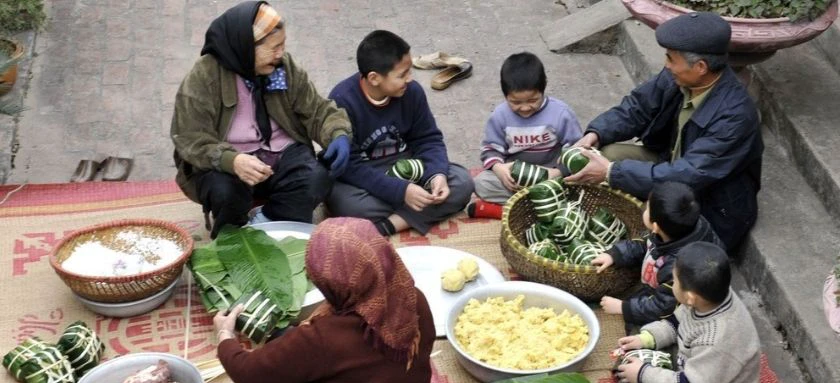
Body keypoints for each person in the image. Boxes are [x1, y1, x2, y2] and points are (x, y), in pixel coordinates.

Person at [212, 217, 436, 383]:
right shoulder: (414, 299)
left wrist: (224, 335)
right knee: (296, 351)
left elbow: (246, 373)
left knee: (280, 361)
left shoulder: (326, 337)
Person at [564, 12, 763, 253]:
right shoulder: (679, 77)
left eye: (671, 59)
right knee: (606, 152)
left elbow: (688, 174)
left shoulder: (735, 116)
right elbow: (637, 107)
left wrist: (611, 173)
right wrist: (595, 133)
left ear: (701, 67)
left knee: (659, 249)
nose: (666, 64)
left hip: (708, 202)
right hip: (668, 163)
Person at [171, 1, 352, 238]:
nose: (280, 54)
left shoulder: (284, 67)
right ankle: (234, 234)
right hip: (228, 160)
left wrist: (338, 133)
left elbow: (317, 110)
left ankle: (269, 218)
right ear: (246, 47)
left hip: (281, 152)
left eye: (283, 45)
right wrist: (231, 160)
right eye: (273, 48)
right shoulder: (204, 77)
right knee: (226, 193)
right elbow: (189, 137)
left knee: (316, 178)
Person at [326, 30, 474, 236]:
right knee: (345, 203)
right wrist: (401, 192)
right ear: (374, 78)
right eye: (402, 75)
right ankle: (417, 211)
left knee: (462, 182)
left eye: (409, 71)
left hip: (410, 167)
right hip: (367, 175)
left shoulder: (412, 92)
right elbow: (350, 166)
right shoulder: (342, 100)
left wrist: (436, 175)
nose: (410, 79)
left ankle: (389, 225)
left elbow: (428, 138)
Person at [611, 241, 761, 383]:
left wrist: (643, 373)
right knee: (639, 335)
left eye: (674, 281)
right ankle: (639, 377)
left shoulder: (718, 339)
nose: (671, 284)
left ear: (690, 297)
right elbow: (676, 323)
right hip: (691, 360)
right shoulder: (709, 295)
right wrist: (646, 339)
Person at [592, 181, 722, 331]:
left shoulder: (677, 268)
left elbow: (663, 306)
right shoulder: (679, 228)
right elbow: (644, 244)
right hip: (657, 288)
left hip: (672, 311)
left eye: (648, 208)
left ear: (655, 226)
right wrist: (615, 254)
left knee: (634, 326)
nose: (645, 208)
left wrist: (624, 308)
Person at [470, 52, 582, 219]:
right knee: (482, 184)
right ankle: (542, 208)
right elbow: (490, 150)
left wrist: (557, 173)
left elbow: (577, 151)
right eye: (515, 102)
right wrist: (499, 169)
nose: (524, 108)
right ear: (505, 94)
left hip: (551, 177)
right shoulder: (500, 116)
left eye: (532, 100)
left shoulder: (561, 114)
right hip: (517, 180)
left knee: (581, 184)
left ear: (543, 88)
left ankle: (515, 211)